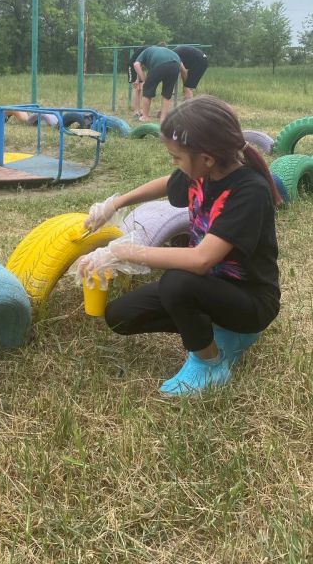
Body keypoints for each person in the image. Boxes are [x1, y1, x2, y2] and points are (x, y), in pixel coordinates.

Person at [78, 95, 281, 396]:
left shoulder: (248, 191)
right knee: (121, 316)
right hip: (208, 288)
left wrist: (124, 251)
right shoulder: (202, 172)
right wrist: (115, 203)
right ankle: (217, 332)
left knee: (177, 283)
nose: (174, 163)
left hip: (250, 300)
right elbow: (166, 182)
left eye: (177, 157)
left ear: (207, 157)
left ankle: (211, 362)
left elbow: (201, 260)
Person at [133, 44, 184, 123]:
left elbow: (136, 65)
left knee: (147, 91)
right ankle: (163, 119)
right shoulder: (171, 52)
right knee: (167, 93)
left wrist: (144, 80)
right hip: (175, 66)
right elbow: (183, 70)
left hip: (159, 65)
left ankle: (145, 117)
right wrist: (185, 83)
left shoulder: (147, 50)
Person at [127, 45, 147, 118]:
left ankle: (141, 110)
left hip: (139, 67)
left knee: (142, 87)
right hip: (133, 66)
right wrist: (137, 80)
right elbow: (137, 64)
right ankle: (136, 111)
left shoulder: (152, 50)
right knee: (136, 87)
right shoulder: (147, 50)